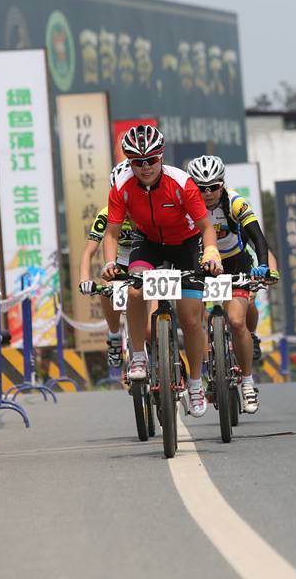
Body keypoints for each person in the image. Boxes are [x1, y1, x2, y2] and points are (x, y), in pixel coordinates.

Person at [101, 125, 222, 418]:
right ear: (129, 162)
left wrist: (211, 252)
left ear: (161, 156)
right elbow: (112, 233)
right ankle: (139, 356)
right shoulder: (121, 187)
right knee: (134, 288)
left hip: (186, 245)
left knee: (191, 319)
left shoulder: (181, 183)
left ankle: (194, 382)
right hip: (150, 243)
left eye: (151, 160)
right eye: (137, 162)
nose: (145, 168)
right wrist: (109, 262)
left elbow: (206, 227)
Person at [186, 155, 278, 414]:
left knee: (237, 321)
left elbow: (257, 237)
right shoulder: (186, 205)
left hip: (236, 263)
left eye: (213, 187)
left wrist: (263, 265)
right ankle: (208, 371)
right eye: (201, 188)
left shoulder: (235, 202)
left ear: (222, 184)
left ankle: (248, 382)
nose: (207, 194)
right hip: (203, 265)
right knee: (197, 320)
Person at [78, 206, 137, 369]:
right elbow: (88, 251)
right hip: (120, 261)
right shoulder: (105, 214)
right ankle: (114, 334)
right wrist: (84, 280)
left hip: (144, 259)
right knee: (106, 286)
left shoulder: (144, 207)